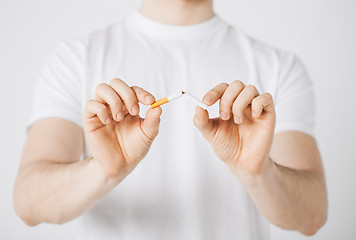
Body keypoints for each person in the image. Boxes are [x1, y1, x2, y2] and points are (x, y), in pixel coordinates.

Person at [13, 0, 328, 239]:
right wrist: (104, 170)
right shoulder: (75, 59)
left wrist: (258, 172)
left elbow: (312, 215)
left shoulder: (279, 67)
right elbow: (29, 203)